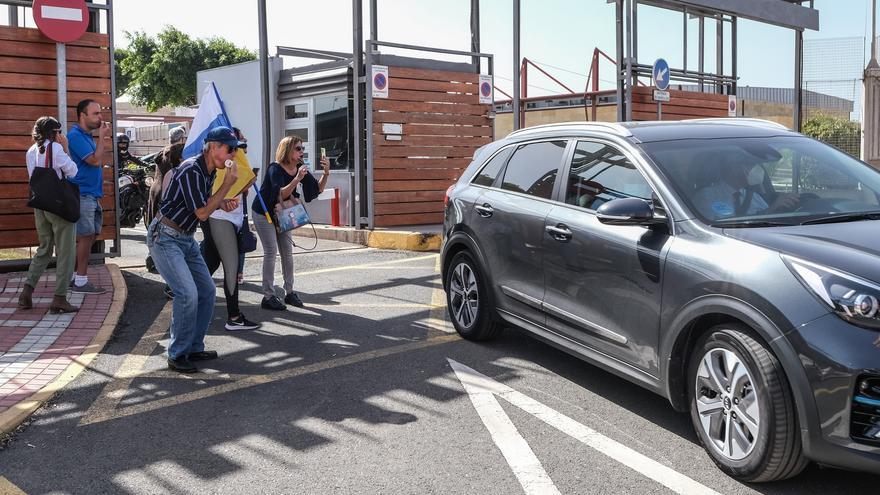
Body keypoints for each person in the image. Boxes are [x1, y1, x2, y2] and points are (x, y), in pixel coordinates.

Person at [147, 126, 241, 373]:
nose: (232, 155)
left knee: (207, 291)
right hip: (166, 237)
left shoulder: (208, 171)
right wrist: (227, 186)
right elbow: (201, 212)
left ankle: (194, 347)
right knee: (187, 293)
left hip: (185, 238)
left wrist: (222, 201)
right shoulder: (192, 169)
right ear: (214, 147)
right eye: (230, 149)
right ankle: (177, 353)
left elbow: (202, 205)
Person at [252, 135, 330, 310]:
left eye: (302, 148)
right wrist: (296, 180)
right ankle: (268, 295)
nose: (302, 152)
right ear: (288, 150)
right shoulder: (275, 169)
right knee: (271, 251)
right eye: (298, 148)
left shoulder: (300, 168)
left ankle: (290, 292)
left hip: (283, 214)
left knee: (287, 253)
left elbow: (316, 190)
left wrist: (326, 173)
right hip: (264, 213)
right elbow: (279, 194)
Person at [199, 127, 259, 331]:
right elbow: (245, 182)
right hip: (219, 218)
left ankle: (185, 295)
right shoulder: (223, 164)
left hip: (224, 218)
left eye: (239, 147)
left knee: (210, 264)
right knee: (230, 267)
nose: (237, 151)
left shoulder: (227, 161)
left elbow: (245, 183)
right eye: (233, 146)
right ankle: (233, 317)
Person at [18, 117, 79, 313]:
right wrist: (66, 148)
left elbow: (33, 177)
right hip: (58, 205)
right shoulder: (56, 149)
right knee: (66, 251)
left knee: (44, 248)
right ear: (54, 133)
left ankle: (26, 292)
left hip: (40, 204)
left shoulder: (31, 151)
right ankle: (59, 298)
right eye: (58, 131)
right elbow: (73, 172)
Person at [66, 99, 110, 295]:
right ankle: (81, 282)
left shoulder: (85, 136)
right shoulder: (75, 136)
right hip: (83, 194)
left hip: (91, 194)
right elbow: (94, 160)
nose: (100, 117)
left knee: (89, 236)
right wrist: (102, 137)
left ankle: (75, 277)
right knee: (85, 237)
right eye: (95, 113)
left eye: (100, 113)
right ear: (82, 116)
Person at [692, 156, 799, 221]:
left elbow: (766, 221)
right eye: (750, 164)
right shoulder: (707, 196)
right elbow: (712, 230)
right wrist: (772, 208)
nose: (757, 169)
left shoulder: (754, 196)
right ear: (734, 168)